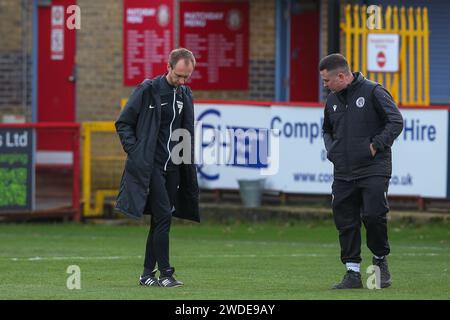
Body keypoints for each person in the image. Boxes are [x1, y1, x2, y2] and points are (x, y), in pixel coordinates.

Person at [115, 48, 200, 288]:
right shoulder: (148, 90)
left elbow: (186, 133)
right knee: (163, 215)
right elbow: (123, 123)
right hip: (150, 165)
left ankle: (145, 274)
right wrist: (137, 152)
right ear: (169, 67)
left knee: (160, 220)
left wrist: (186, 165)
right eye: (179, 75)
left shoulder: (185, 94)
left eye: (187, 77)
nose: (182, 81)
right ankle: (165, 274)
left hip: (173, 167)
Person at [319, 53, 403, 289]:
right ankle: (352, 273)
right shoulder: (332, 100)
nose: (324, 85)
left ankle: (379, 263)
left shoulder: (374, 91)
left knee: (374, 215)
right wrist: (332, 149)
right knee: (345, 220)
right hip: (343, 171)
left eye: (326, 81)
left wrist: (376, 145)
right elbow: (326, 130)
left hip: (373, 168)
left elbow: (396, 121)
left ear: (342, 76)